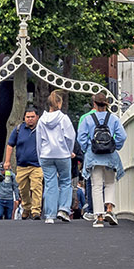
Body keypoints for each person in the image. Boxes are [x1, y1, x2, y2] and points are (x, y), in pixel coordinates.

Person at [77, 93, 127, 227]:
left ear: (94, 104)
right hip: (110, 155)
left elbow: (81, 137)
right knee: (110, 182)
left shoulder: (88, 119)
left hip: (94, 156)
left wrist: (87, 148)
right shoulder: (113, 118)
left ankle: (99, 216)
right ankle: (109, 209)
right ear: (106, 104)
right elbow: (122, 136)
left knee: (96, 185)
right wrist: (114, 146)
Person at [36, 90, 77, 223]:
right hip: (62, 154)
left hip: (46, 155)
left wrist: (40, 156)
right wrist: (68, 150)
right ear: (59, 103)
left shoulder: (41, 120)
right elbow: (70, 136)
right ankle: (63, 209)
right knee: (65, 181)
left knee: (50, 184)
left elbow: (38, 141)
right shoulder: (63, 118)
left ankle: (50, 215)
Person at [6, 107, 44, 219]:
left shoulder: (42, 129)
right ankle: (27, 207)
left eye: (32, 117)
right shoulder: (18, 129)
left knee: (36, 187)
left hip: (37, 165)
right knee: (23, 190)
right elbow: (10, 145)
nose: (30, 119)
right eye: (28, 117)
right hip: (21, 166)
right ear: (24, 118)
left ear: (37, 117)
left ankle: (36, 211)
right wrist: (7, 161)